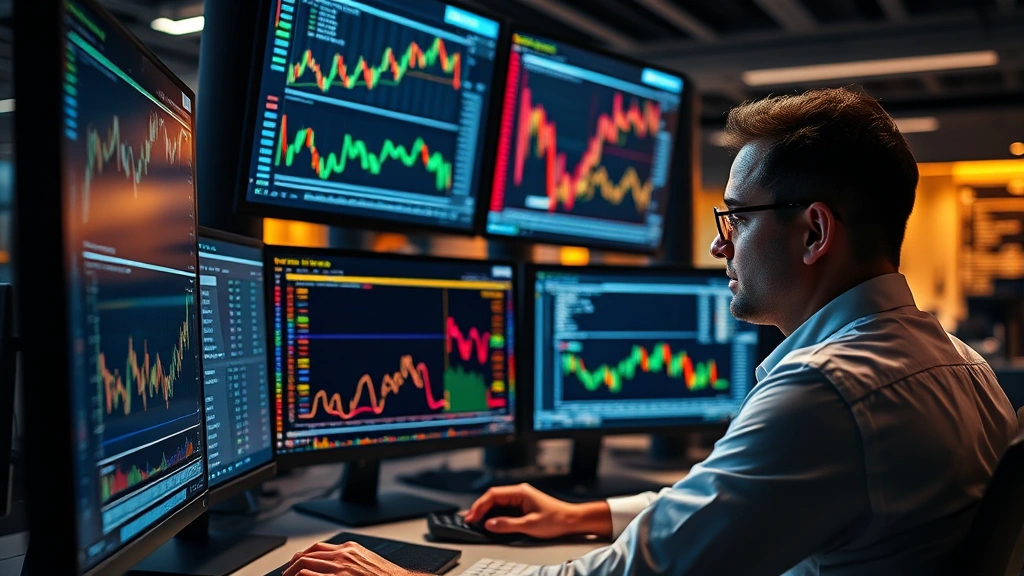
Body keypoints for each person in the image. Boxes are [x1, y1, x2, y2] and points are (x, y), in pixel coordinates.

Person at [280, 88, 1018, 576]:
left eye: (735, 218)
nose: (718, 246)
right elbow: (730, 500)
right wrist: (589, 512)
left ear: (814, 231)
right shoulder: (960, 366)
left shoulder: (827, 392)